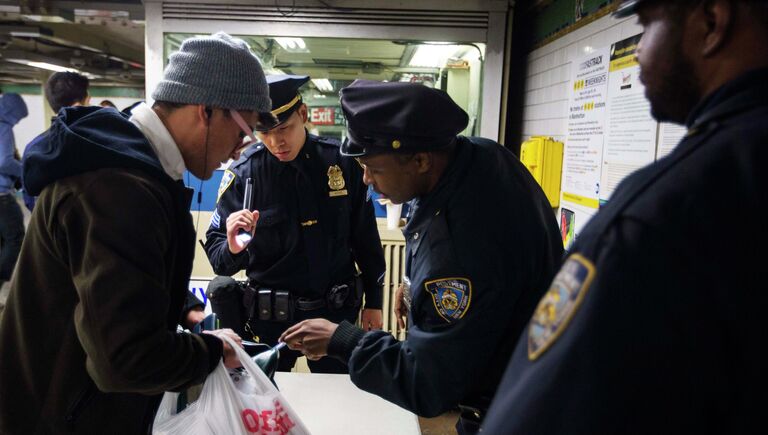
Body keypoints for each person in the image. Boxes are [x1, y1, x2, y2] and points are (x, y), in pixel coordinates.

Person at [481, 1, 768, 433]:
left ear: (712, 22)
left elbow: (541, 415)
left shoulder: (663, 212)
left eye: (648, 24)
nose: (636, 52)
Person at [0, 32, 275, 434]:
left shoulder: (134, 168)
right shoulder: (118, 188)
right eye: (242, 132)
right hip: (59, 415)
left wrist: (182, 310)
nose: (239, 150)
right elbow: (125, 359)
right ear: (207, 110)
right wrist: (212, 351)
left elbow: (119, 277)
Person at [280, 80, 563, 433]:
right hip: (532, 384)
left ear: (420, 159)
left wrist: (343, 340)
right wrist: (417, 290)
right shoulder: (480, 157)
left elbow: (428, 386)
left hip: (513, 413)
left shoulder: (456, 247)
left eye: (374, 168)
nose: (365, 179)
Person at [204, 74, 386, 374]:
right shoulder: (244, 175)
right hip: (269, 320)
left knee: (337, 403)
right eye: (265, 133)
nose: (277, 141)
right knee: (266, 408)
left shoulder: (340, 164)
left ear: (303, 115)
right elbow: (219, 259)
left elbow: (365, 238)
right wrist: (234, 246)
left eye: (284, 128)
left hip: (334, 315)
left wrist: (374, 302)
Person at [0, 92, 27, 290]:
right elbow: (4, 161)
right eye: (17, 117)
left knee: (2, 241)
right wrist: (25, 169)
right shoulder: (4, 128)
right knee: (16, 238)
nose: (16, 122)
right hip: (2, 196)